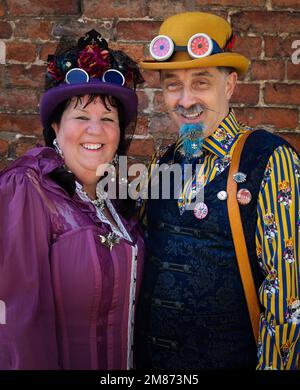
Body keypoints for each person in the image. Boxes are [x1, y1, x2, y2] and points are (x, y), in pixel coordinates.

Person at [135, 12, 299, 370]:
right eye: (172, 84)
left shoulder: (270, 161)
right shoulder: (161, 162)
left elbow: (288, 301)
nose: (185, 99)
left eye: (201, 83)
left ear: (229, 86)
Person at [0, 29, 145, 370]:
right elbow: (15, 329)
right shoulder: (28, 188)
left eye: (108, 119)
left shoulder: (117, 200)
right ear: (55, 126)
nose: (95, 130)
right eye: (81, 117)